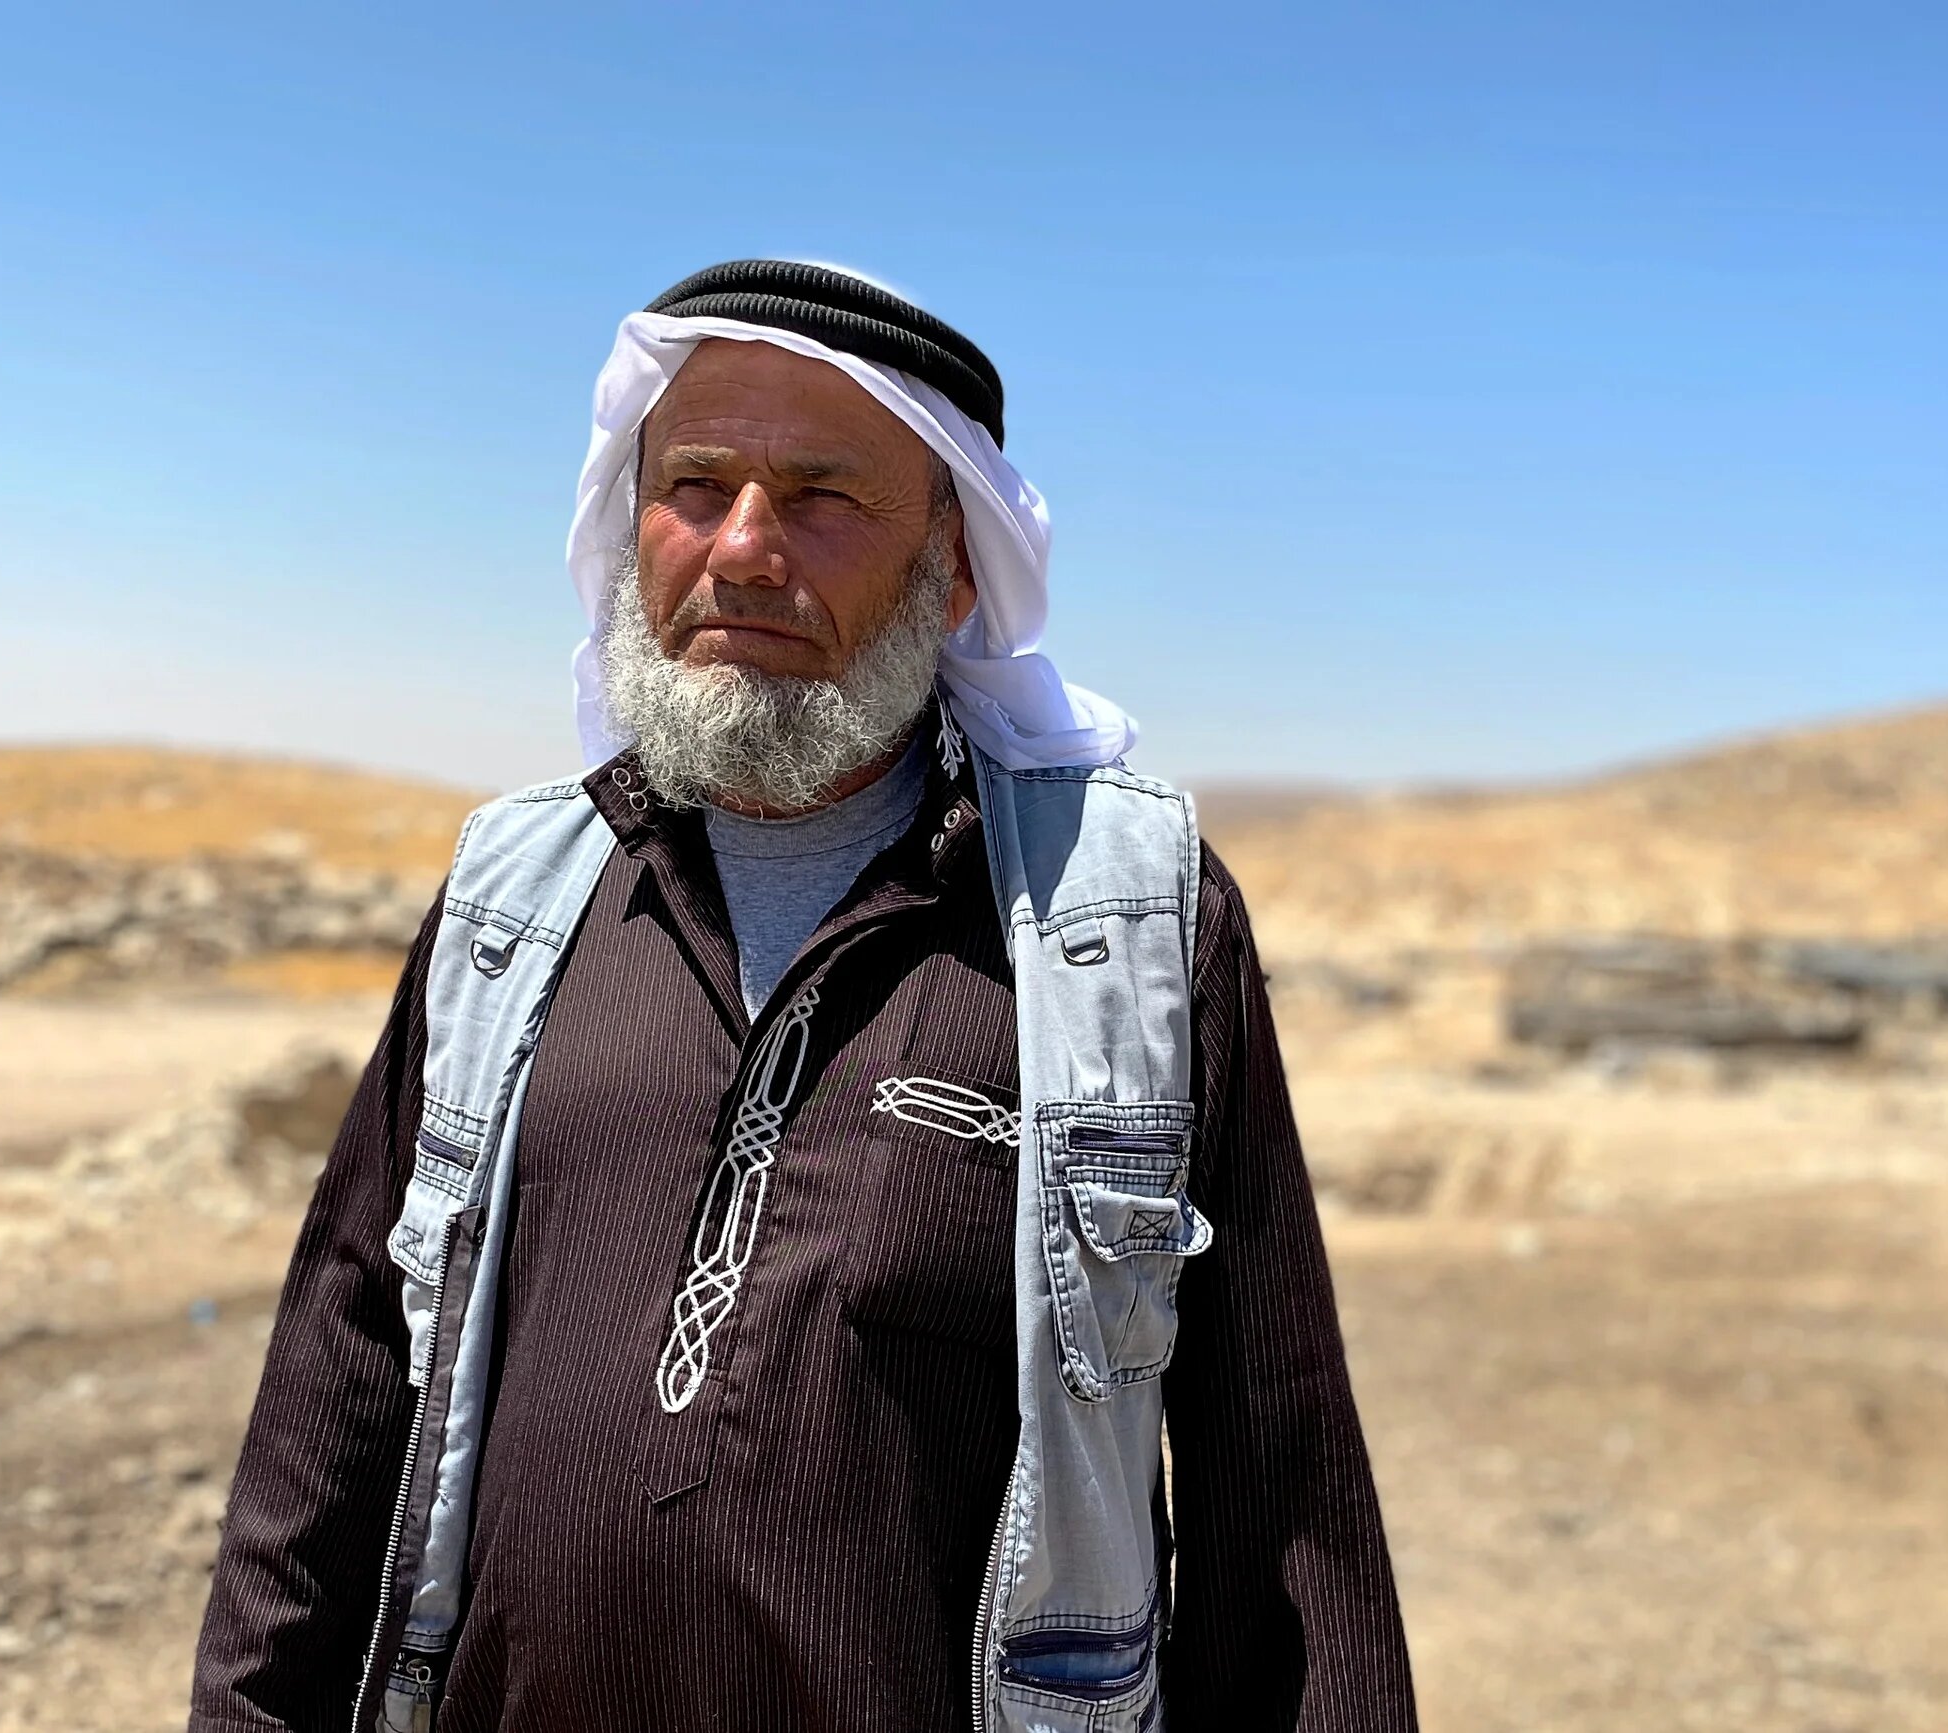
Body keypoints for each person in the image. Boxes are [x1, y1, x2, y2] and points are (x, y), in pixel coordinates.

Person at [188, 260, 1417, 1733]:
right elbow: (338, 1390)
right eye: (696, 485)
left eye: (824, 497)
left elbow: (1277, 1488)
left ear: (954, 569)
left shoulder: (1118, 921)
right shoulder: (517, 896)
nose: (746, 549)